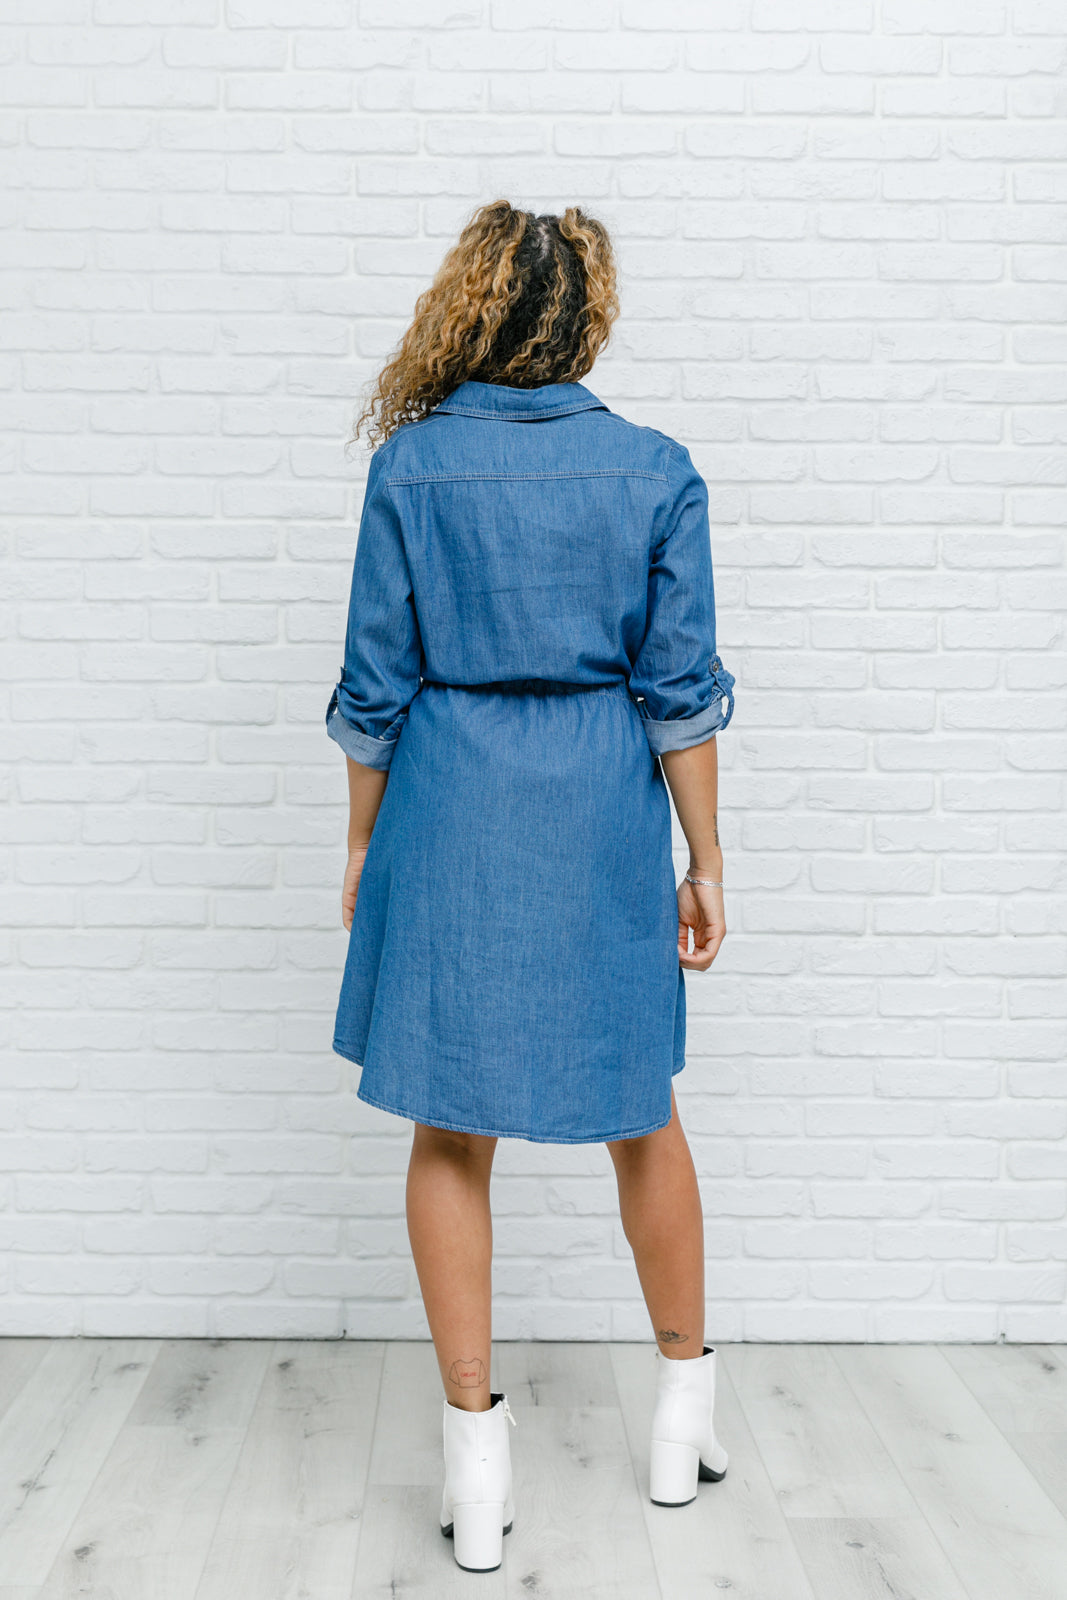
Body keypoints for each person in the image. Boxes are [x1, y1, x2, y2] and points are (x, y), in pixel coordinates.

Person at [325, 199, 736, 1572]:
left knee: (450, 1131)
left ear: (474, 313)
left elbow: (375, 688)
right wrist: (706, 859)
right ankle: (681, 1416)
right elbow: (680, 695)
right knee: (642, 1111)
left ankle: (476, 1468)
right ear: (586, 322)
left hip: (449, 807)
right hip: (600, 810)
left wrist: (362, 844)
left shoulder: (413, 468)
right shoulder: (656, 470)